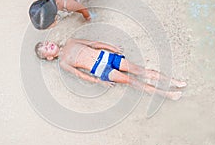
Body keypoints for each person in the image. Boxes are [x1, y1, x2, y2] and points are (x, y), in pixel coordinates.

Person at [34, 38, 187, 100]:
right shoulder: (63, 63)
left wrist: (112, 47)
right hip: (100, 69)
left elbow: (93, 43)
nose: (49, 45)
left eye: (47, 43)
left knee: (140, 70)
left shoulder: (70, 41)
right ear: (49, 57)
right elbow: (80, 74)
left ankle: (173, 81)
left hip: (106, 56)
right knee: (131, 80)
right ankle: (167, 94)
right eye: (46, 49)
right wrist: (99, 82)